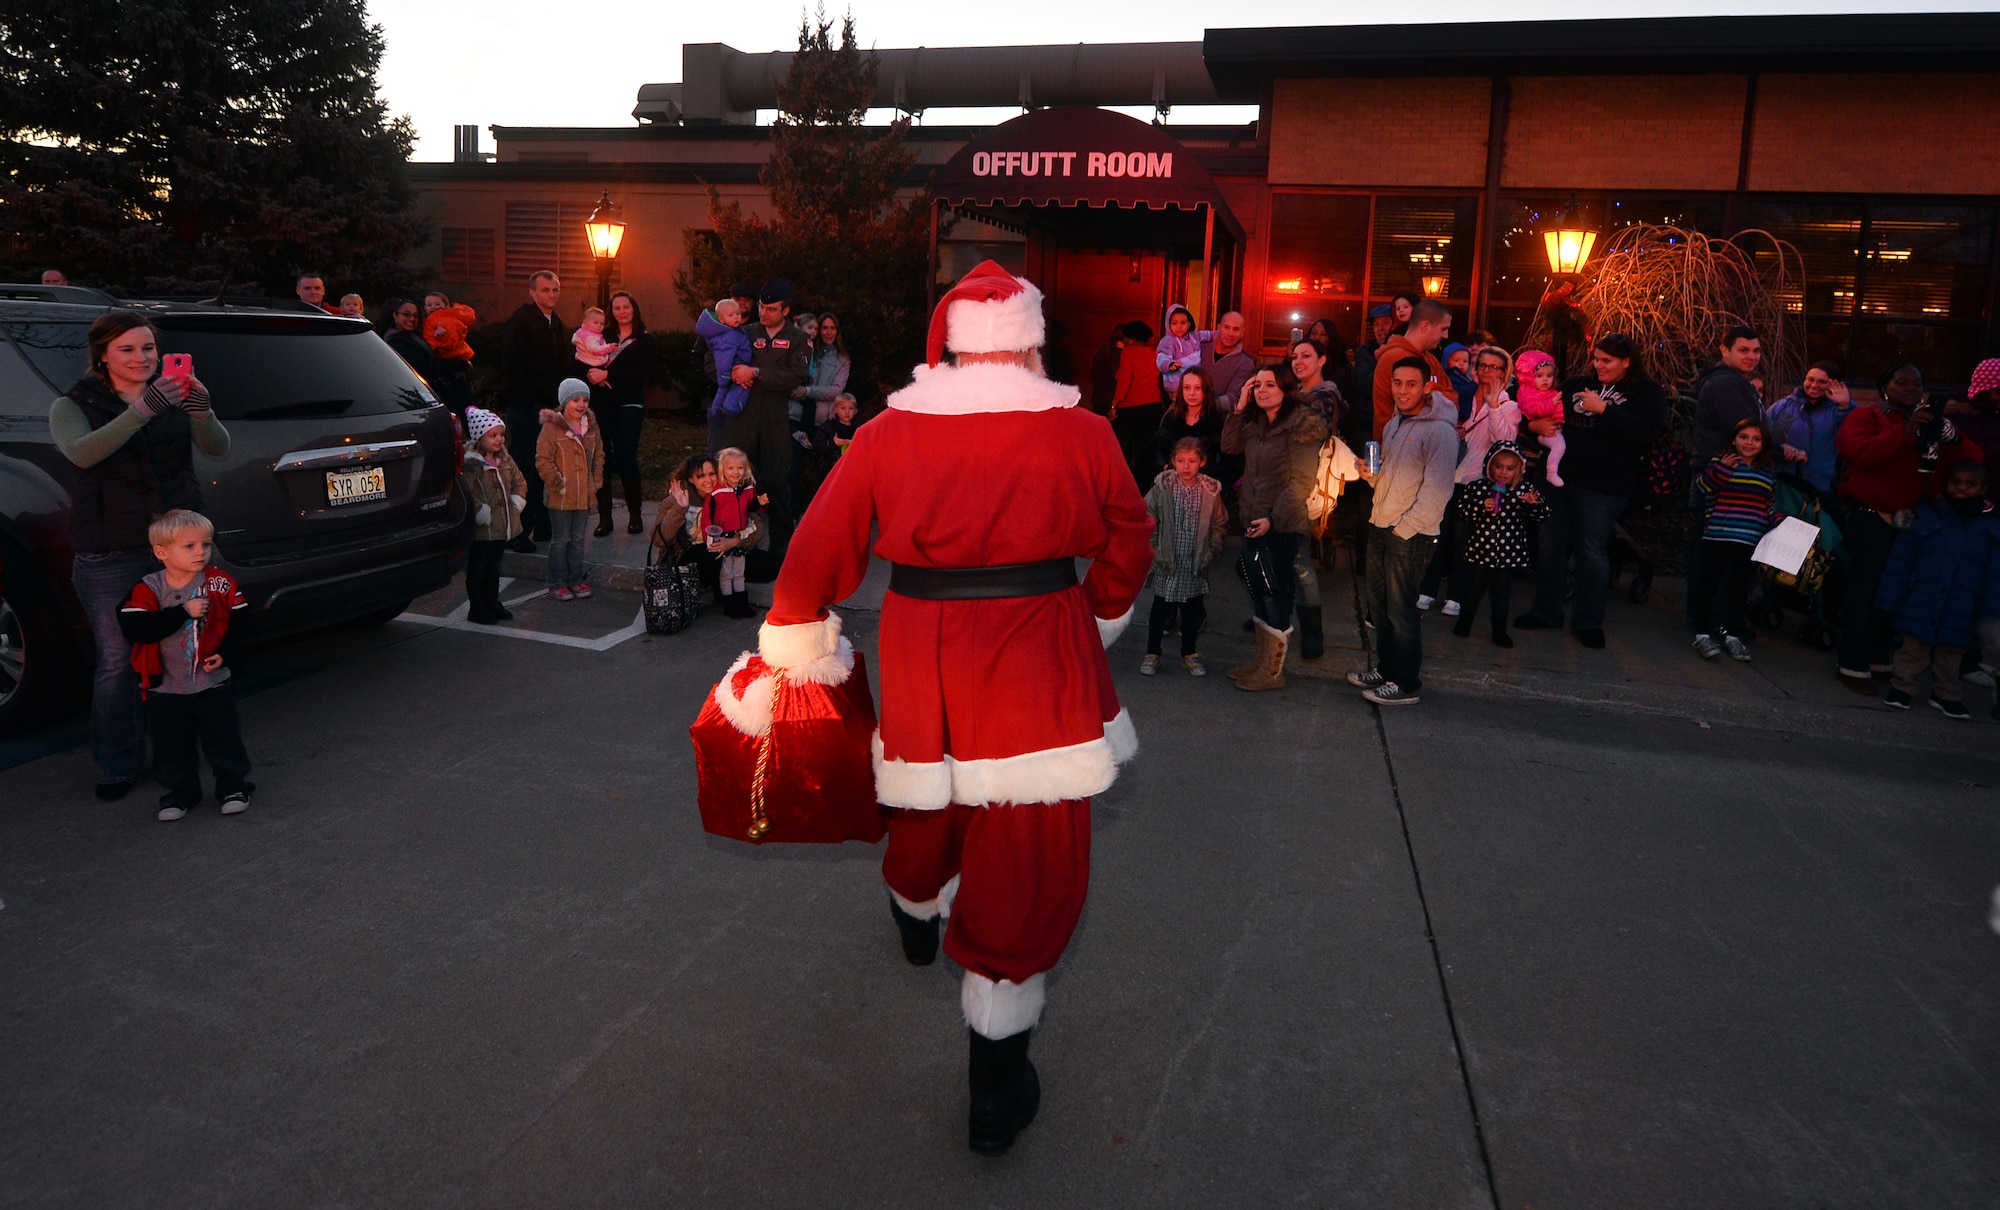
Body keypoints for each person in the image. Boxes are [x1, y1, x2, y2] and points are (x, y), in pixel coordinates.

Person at [722, 260, 1151, 1156]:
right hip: (1043, 648)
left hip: (927, 643)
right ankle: (995, 1086)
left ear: (947, 348)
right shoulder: (1085, 431)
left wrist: (796, 630)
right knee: (1031, 839)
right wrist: (1105, 610)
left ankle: (916, 908)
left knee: (927, 797)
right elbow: (1127, 534)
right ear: (1031, 343)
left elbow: (821, 541)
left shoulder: (887, 432)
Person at [50, 311, 230, 801]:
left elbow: (217, 447)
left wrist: (201, 411)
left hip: (176, 545)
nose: (141, 358)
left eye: (148, 348)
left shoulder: (173, 394)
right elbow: (82, 454)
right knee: (118, 659)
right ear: (102, 355)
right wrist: (142, 411)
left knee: (182, 651)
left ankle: (182, 758)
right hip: (111, 548)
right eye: (127, 349)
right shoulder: (73, 404)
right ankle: (118, 761)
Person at [1832, 363, 1986, 694]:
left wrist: (1950, 436)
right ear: (1884, 387)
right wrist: (1905, 433)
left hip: (1915, 524)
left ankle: (1877, 654)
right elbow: (1861, 453)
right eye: (1901, 382)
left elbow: (1973, 462)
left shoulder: (1931, 424)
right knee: (1864, 589)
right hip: (1872, 517)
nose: (1910, 389)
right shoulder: (1867, 417)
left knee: (1893, 591)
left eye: (1917, 384)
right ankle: (1851, 660)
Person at [1515, 333, 1669, 650]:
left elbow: (1649, 433)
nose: (1599, 365)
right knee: (1549, 546)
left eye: (1607, 360)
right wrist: (1534, 428)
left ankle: (1588, 621)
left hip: (1604, 487)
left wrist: (1605, 410)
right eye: (1597, 359)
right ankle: (1546, 611)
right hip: (1557, 479)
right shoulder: (1574, 384)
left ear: (1627, 361)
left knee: (1591, 551)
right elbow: (1534, 415)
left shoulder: (1646, 393)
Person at [116, 509, 252, 822]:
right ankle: (180, 793)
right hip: (165, 687)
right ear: (161, 552)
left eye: (205, 544)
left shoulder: (220, 582)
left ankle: (233, 786)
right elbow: (135, 627)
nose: (201, 552)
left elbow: (241, 622)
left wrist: (228, 654)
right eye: (189, 546)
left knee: (223, 738)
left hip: (211, 682)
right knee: (171, 745)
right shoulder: (149, 588)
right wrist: (182, 612)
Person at [1346, 357, 1458, 706]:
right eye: (1397, 383)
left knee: (1402, 612)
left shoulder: (1439, 431)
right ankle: (1386, 669)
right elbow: (1393, 478)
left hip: (1409, 535)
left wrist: (1403, 529)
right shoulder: (1395, 423)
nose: (1403, 390)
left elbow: (1438, 492)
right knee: (1379, 610)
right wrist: (1370, 476)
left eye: (1411, 384)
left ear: (1428, 386)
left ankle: (1406, 682)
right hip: (1382, 525)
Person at [1223, 362, 1329, 686]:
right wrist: (1239, 406)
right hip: (1254, 520)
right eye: (1258, 385)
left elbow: (1301, 482)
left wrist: (1271, 519)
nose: (1262, 391)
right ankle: (1261, 662)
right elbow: (1228, 446)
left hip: (1282, 526)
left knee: (1274, 596)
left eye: (1270, 385)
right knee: (1260, 591)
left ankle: (1272, 672)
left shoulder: (1299, 426)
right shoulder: (1257, 424)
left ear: (1285, 389)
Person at [1875, 462, 1999, 718]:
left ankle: (1946, 694)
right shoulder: (1928, 514)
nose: (1962, 488)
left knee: (1952, 654)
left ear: (1983, 488)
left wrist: (1990, 611)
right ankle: (1903, 688)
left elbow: (1994, 575)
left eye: (1970, 484)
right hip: (1923, 595)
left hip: (1963, 602)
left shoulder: (1989, 527)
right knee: (1913, 648)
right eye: (1956, 482)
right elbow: (1902, 559)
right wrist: (1890, 596)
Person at [1420, 345, 1518, 614]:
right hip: (1449, 475)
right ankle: (1427, 590)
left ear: (1504, 372)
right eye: (1482, 365)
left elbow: (1504, 442)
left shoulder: (1509, 406)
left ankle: (1457, 596)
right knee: (1437, 535)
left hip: (1478, 481)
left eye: (1494, 367)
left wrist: (1495, 406)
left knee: (1465, 541)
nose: (1487, 371)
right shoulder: (1463, 398)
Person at [722, 280, 811, 540]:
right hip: (742, 415)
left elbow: (796, 375)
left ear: (785, 310)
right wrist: (735, 374)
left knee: (776, 482)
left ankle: (781, 547)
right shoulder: (746, 332)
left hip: (775, 417)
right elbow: (717, 359)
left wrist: (757, 373)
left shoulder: (799, 339)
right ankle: (731, 540)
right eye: (762, 307)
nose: (764, 313)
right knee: (734, 479)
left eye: (771, 309)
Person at [1690, 419, 1782, 662]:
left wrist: (1778, 519)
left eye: (1756, 439)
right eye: (1744, 437)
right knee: (1709, 585)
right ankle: (1702, 633)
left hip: (1749, 539)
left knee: (1739, 589)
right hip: (1718, 535)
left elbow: (1768, 506)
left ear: (1763, 444)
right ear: (1733, 439)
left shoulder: (1767, 473)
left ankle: (1732, 634)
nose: (1749, 443)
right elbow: (1703, 486)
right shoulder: (1721, 463)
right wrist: (1722, 471)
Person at [1140, 437, 1228, 677]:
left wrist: (1213, 549)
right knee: (1159, 608)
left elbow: (1220, 523)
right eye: (1180, 461)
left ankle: (1189, 653)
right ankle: (1152, 653)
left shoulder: (1210, 491)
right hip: (1166, 559)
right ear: (1173, 462)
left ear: (1202, 462)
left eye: (1192, 461)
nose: (1186, 466)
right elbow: (1147, 517)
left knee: (1191, 611)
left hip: (1194, 561)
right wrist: (1154, 547)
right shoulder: (1162, 488)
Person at [1448, 442, 1547, 648]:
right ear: (1489, 465)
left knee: (1501, 593)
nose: (1503, 473)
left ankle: (1499, 631)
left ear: (1519, 469)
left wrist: (1533, 503)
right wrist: (1480, 507)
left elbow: (1543, 515)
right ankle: (1464, 622)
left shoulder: (1524, 490)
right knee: (1474, 589)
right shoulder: (1478, 487)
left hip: (1507, 553)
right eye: (1498, 466)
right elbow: (1462, 512)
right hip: (1480, 550)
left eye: (1510, 468)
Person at [502, 271, 574, 550]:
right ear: (533, 293)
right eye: (545, 290)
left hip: (548, 408)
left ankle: (542, 526)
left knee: (546, 466)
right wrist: (531, 401)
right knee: (523, 470)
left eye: (555, 289)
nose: (551, 295)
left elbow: (559, 365)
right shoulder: (521, 321)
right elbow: (511, 363)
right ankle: (517, 532)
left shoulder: (555, 323)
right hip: (526, 408)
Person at [586, 291, 658, 537]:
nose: (622, 311)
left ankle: (635, 515)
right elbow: (582, 361)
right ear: (611, 312)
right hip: (601, 405)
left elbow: (643, 374)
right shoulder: (601, 337)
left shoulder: (646, 340)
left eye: (626, 306)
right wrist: (591, 375)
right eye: (617, 308)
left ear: (634, 309)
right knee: (601, 459)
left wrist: (609, 375)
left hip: (629, 405)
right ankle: (605, 518)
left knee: (627, 457)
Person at [535, 378, 603, 601]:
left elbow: (599, 455)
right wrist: (558, 483)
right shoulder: (552, 428)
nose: (581, 405)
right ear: (564, 402)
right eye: (575, 400)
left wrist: (596, 480)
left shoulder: (591, 426)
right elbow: (543, 460)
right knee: (561, 539)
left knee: (577, 539)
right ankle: (557, 582)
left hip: (584, 494)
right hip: (561, 496)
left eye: (585, 400)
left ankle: (575, 579)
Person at [460, 408, 527, 625]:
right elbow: (466, 493)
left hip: (502, 525)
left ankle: (492, 602)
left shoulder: (505, 460)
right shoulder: (472, 465)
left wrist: (516, 502)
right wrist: (481, 512)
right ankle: (477, 607)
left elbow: (519, 481)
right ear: (480, 437)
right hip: (483, 528)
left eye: (501, 434)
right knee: (479, 566)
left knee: (494, 566)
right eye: (493, 435)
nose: (499, 439)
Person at [651, 453, 743, 607]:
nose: (708, 480)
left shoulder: (727, 493)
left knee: (768, 564)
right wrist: (680, 509)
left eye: (712, 474)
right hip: (688, 557)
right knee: (710, 552)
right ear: (690, 479)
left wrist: (734, 541)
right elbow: (659, 540)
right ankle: (724, 597)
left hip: (725, 551)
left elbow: (756, 527)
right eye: (701, 476)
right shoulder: (676, 498)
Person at [1370, 299, 1455, 442]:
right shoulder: (1392, 358)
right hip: (1397, 450)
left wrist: (1430, 393)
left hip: (1429, 448)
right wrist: (1435, 394)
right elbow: (1389, 413)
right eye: (1443, 329)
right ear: (1425, 326)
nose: (1445, 336)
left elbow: (1453, 401)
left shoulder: (1431, 360)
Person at [1765, 362, 1854, 497]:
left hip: (1825, 486)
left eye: (1822, 382)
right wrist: (1779, 447)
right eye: (1810, 379)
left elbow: (1853, 437)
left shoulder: (1844, 408)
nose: (1814, 385)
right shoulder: (1782, 406)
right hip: (1787, 485)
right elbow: (1763, 437)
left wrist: (1845, 408)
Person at [702, 448, 765, 619]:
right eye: (731, 468)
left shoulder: (748, 489)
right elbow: (707, 516)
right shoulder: (717, 492)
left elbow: (752, 508)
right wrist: (709, 540)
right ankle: (729, 603)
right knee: (726, 572)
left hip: (741, 534)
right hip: (723, 536)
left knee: (739, 571)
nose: (736, 472)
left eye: (740, 468)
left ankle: (741, 601)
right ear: (723, 469)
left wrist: (761, 503)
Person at [1693, 327, 1766, 464]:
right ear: (1725, 350)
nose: (1751, 357)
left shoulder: (1734, 382)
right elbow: (1743, 429)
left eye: (1756, 351)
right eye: (1743, 350)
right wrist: (1780, 451)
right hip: (1724, 472)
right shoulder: (1725, 384)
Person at [697, 297, 754, 454]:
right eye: (731, 315)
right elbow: (723, 359)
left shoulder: (735, 332)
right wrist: (728, 377)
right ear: (721, 319)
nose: (736, 317)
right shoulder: (727, 336)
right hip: (729, 378)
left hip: (735, 374)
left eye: (737, 314)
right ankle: (726, 409)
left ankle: (720, 409)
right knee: (727, 400)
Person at [1112, 320, 1164, 484]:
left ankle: (1122, 484)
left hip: (1130, 407)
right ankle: (1145, 486)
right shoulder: (1155, 354)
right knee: (1145, 449)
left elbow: (1124, 381)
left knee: (1122, 448)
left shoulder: (1128, 353)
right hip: (1153, 406)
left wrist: (1114, 406)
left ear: (1131, 339)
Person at [1152, 367, 1223, 476]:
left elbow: (1226, 459)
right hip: (1173, 480)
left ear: (1206, 390)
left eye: (1198, 388)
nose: (1191, 393)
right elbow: (1158, 450)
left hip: (1205, 482)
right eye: (1186, 388)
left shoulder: (1216, 420)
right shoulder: (1172, 418)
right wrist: (1166, 468)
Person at [1512, 350, 1566, 486]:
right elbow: (1534, 410)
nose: (1545, 380)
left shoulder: (1552, 393)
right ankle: (1552, 472)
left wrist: (1560, 420)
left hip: (1554, 429)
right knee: (1559, 446)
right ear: (1530, 377)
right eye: (1539, 376)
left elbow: (1559, 410)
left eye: (1549, 376)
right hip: (1534, 437)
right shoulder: (1526, 394)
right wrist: (1551, 404)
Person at [421, 292, 478, 419]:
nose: (433, 307)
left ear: (447, 305)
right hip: (456, 360)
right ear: (424, 307)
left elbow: (450, 342)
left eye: (437, 304)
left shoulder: (442, 320)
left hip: (450, 359)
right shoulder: (429, 321)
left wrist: (442, 337)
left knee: (462, 404)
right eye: (429, 304)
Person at [1952, 358, 2000, 501]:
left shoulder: (1995, 414)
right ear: (1982, 390)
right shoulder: (1961, 418)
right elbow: (1972, 463)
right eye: (1998, 392)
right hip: (1973, 502)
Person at [799, 312, 852, 428]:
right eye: (825, 328)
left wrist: (808, 391)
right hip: (797, 415)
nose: (829, 332)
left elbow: (836, 390)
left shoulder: (842, 359)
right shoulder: (807, 350)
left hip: (824, 421)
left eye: (832, 328)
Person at [1197, 310, 1254, 411]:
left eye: (1236, 329)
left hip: (1218, 417)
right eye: (1226, 327)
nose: (1230, 333)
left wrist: (1204, 405)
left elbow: (1235, 397)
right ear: (1219, 328)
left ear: (1242, 333)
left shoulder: (1245, 362)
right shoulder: (1200, 347)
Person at [1290, 337, 1346, 429]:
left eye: (1306, 356)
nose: (1297, 362)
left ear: (1321, 361)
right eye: (1294, 357)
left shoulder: (1326, 397)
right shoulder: (1293, 392)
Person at [1155, 304, 1210, 398]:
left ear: (1189, 324)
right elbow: (1161, 358)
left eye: (1183, 323)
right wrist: (1169, 364)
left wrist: (1221, 334)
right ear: (1168, 324)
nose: (1179, 327)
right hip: (1176, 386)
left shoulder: (1194, 336)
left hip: (1194, 382)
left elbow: (1209, 334)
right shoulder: (1168, 341)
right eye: (1174, 323)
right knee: (1179, 409)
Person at [380, 299, 440, 384]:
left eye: (416, 315)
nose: (412, 319)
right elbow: (422, 365)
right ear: (395, 315)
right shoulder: (394, 341)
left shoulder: (417, 335)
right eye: (406, 314)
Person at [570, 305, 623, 369]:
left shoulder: (581, 333)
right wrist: (609, 348)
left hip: (583, 360)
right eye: (595, 323)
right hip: (592, 363)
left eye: (602, 323)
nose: (599, 325)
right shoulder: (590, 337)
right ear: (585, 322)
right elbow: (595, 349)